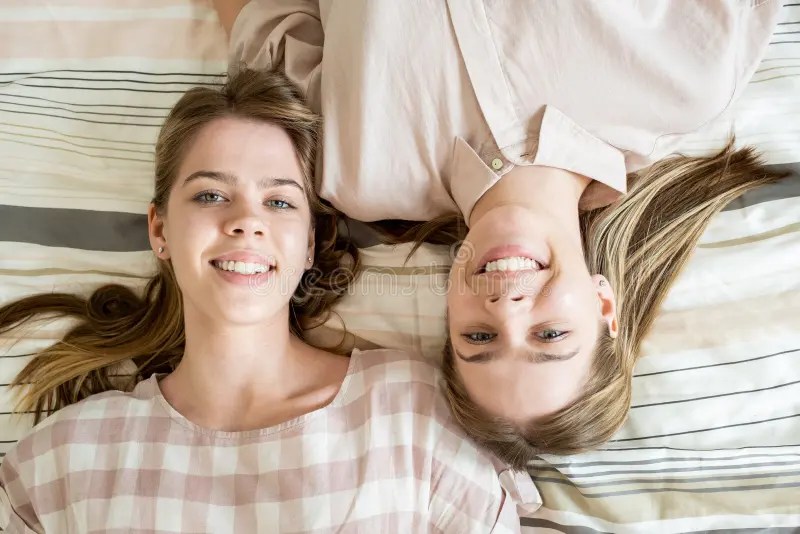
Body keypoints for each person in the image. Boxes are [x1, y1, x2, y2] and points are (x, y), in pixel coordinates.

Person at [213, 1, 786, 467]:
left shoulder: (351, 171)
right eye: (551, 335)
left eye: (479, 341)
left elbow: (259, 19)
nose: (508, 308)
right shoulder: (687, 82)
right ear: (603, 303)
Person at [0, 68, 528, 532]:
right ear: (159, 229)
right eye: (211, 194)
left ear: (308, 245)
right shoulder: (67, 459)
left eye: (278, 201)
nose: (247, 221)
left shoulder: (412, 410)